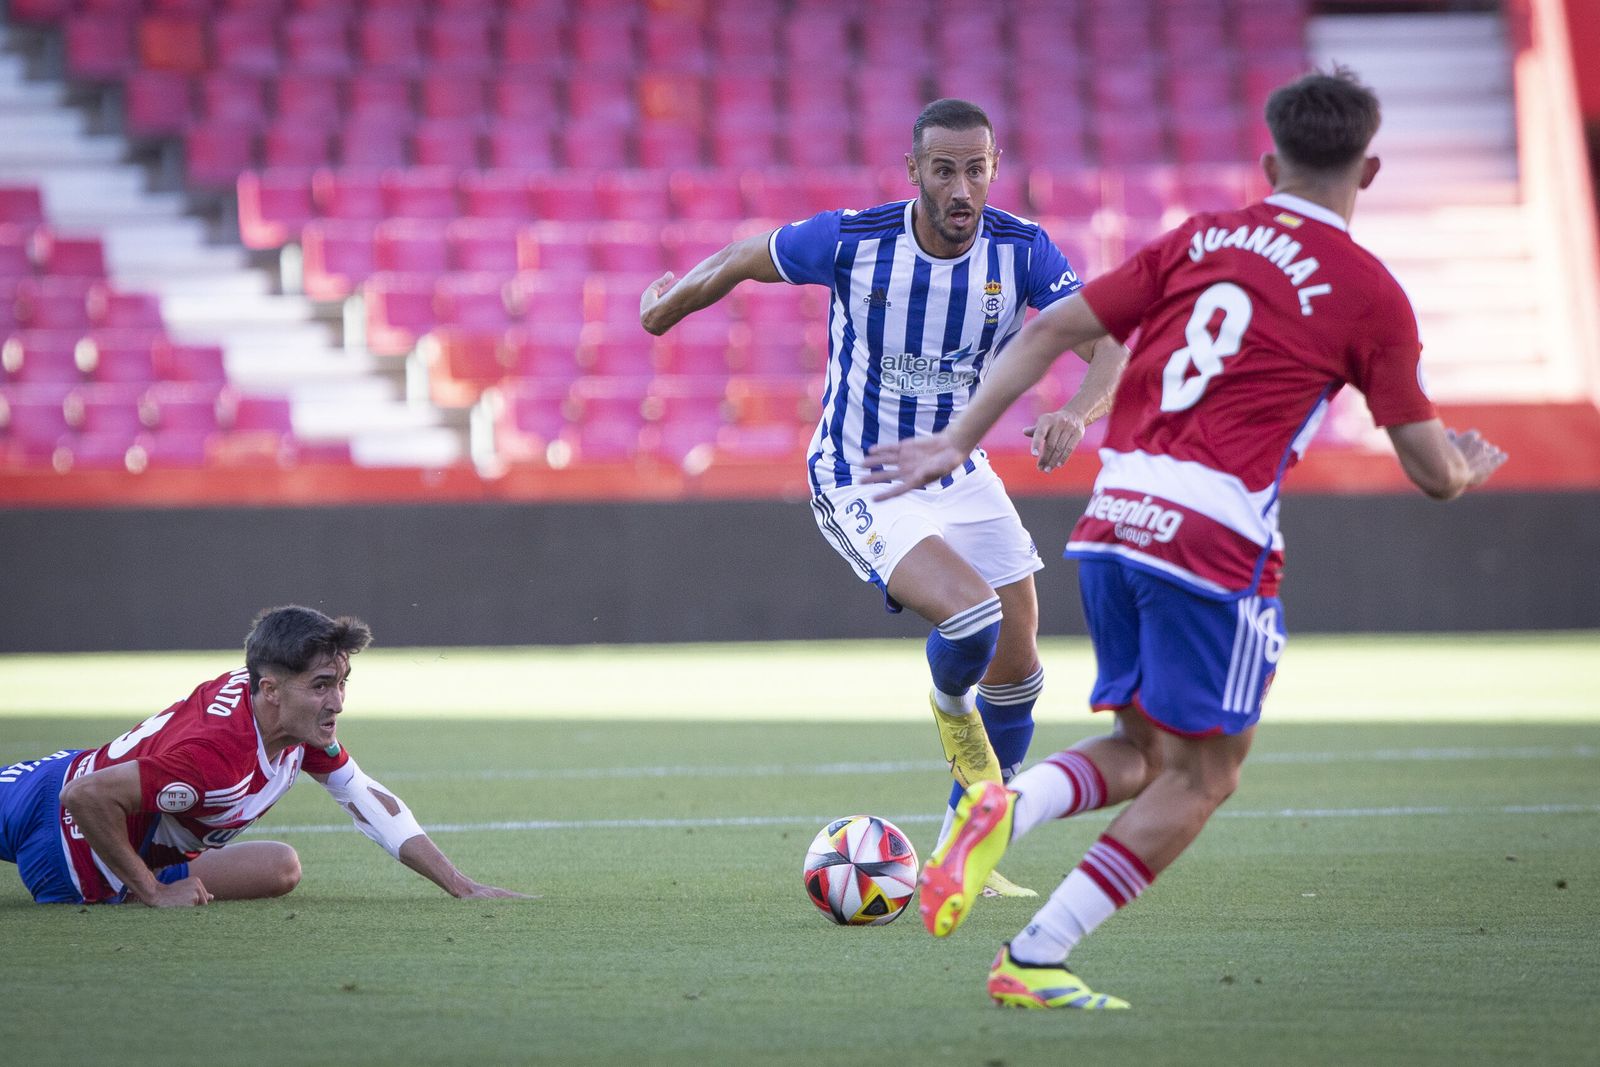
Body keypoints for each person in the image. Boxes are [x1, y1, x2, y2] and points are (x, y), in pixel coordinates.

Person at [864, 67, 1508, 1008]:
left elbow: (1050, 331)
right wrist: (1465, 462)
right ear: (1368, 171)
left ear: (1267, 160)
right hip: (1210, 539)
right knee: (1206, 773)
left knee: (1143, 752)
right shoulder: (1369, 290)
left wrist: (955, 442)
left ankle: (1006, 802)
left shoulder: (1201, 238)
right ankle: (1036, 954)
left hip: (1112, 520)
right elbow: (1428, 470)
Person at [641, 99, 1129, 895]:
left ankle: (957, 856)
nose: (962, 187)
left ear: (994, 168)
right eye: (945, 170)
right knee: (972, 617)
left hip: (959, 472)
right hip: (861, 471)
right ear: (915, 173)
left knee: (1021, 668)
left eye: (977, 168)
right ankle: (948, 704)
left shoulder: (1023, 251)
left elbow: (1110, 339)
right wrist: (664, 308)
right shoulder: (854, 239)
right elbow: (742, 256)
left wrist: (1075, 412)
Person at [0, 605, 525, 907]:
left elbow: (364, 797)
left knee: (280, 867)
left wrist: (462, 886)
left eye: (342, 682)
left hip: (71, 773)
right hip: (73, 843)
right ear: (271, 689)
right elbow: (85, 796)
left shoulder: (287, 720)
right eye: (322, 685)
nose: (337, 701)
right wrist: (154, 890)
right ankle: (134, 886)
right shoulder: (218, 758)